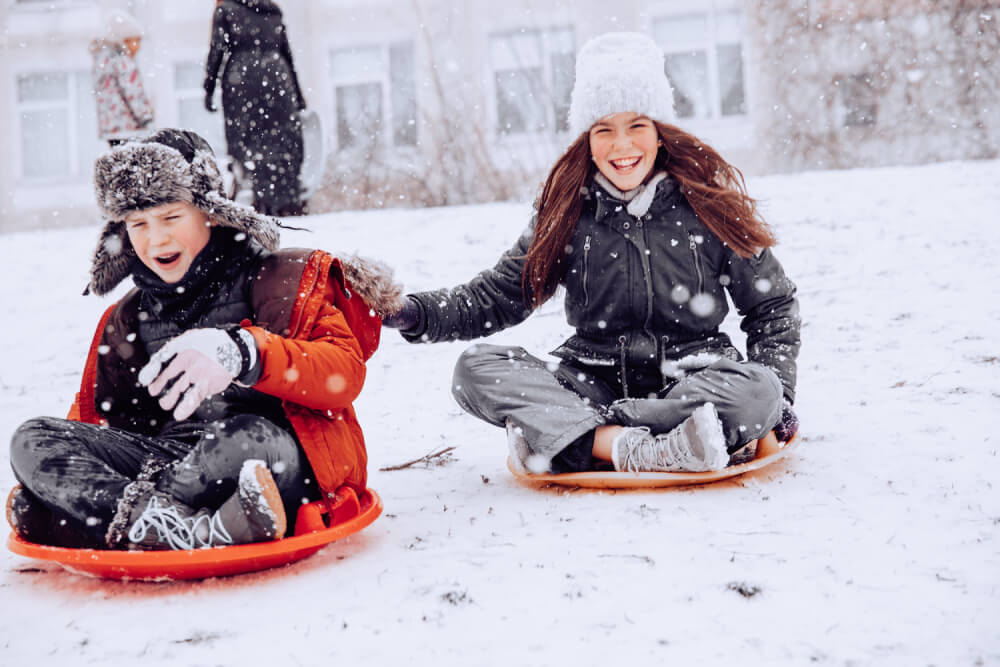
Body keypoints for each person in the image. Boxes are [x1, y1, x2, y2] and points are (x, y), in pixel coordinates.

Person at [383, 32, 801, 476]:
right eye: (604, 129)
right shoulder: (568, 213)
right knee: (476, 369)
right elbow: (501, 293)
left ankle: (584, 439)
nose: (622, 146)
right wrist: (413, 313)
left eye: (637, 125)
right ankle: (647, 444)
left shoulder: (709, 207)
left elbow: (772, 308)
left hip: (693, 378)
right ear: (588, 140)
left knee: (759, 390)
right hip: (592, 381)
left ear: (661, 134)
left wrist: (780, 399)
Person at [6, 129, 401, 551]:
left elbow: (344, 372)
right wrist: (71, 475)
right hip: (169, 462)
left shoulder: (278, 279)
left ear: (210, 213)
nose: (156, 239)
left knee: (241, 439)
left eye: (171, 217)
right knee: (31, 438)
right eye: (138, 224)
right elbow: (102, 423)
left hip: (272, 455)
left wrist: (244, 352)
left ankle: (119, 523)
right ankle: (173, 523)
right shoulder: (127, 317)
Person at [203, 0, 307, 217]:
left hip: (242, 79)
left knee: (249, 141)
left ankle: (259, 202)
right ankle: (288, 203)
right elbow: (287, 53)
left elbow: (216, 50)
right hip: (278, 76)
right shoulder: (273, 9)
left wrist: (209, 88)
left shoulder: (226, 10)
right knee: (282, 141)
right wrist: (297, 94)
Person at [89, 9, 155, 148]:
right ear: (124, 40)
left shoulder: (101, 61)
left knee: (119, 164)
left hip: (111, 128)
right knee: (134, 166)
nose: (139, 47)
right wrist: (146, 118)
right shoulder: (122, 61)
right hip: (129, 127)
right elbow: (133, 93)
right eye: (136, 41)